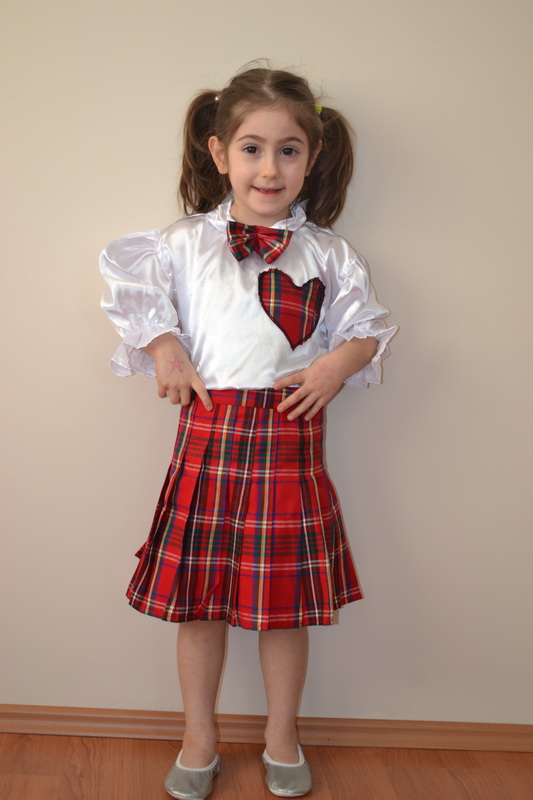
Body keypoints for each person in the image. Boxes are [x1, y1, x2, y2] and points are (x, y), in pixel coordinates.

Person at [100, 65, 396, 800]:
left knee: (282, 608)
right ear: (218, 152)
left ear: (313, 157)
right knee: (200, 606)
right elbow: (132, 291)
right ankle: (198, 738)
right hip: (208, 435)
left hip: (288, 439)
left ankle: (281, 736)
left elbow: (365, 331)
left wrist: (335, 365)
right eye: (252, 149)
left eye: (288, 150)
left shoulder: (329, 254)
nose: (270, 168)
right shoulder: (183, 243)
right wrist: (164, 345)